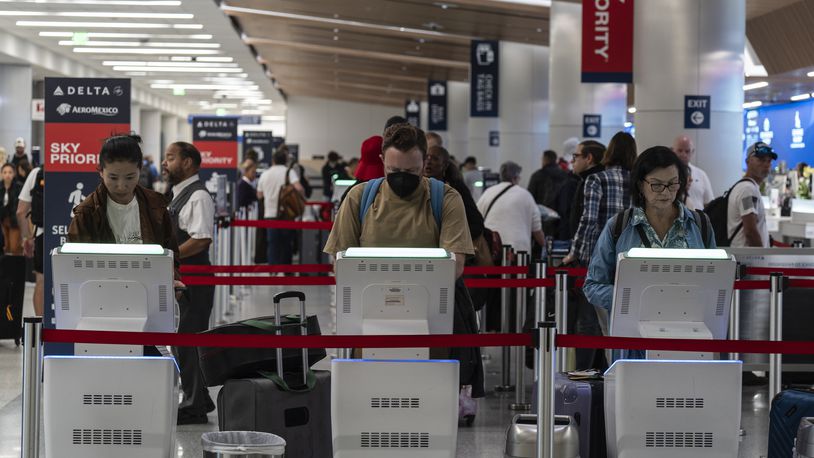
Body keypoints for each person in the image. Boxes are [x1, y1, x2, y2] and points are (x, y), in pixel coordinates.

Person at [323, 123, 482, 405]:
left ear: (425, 162)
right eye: (394, 171)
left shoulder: (445, 198)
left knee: (429, 406)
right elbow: (340, 264)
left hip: (432, 327)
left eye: (411, 171)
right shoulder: (359, 199)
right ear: (383, 161)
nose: (402, 178)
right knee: (371, 403)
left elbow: (455, 266)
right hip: (369, 326)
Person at [583, 146, 715, 358]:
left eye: (672, 184)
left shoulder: (700, 224)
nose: (665, 192)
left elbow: (714, 280)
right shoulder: (619, 227)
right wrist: (634, 299)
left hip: (690, 340)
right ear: (640, 185)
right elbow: (592, 285)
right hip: (633, 345)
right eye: (656, 185)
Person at [162, 141, 217, 425]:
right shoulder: (178, 195)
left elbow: (201, 239)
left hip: (196, 278)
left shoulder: (198, 197)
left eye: (170, 158)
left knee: (188, 340)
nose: (165, 163)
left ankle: (194, 405)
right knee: (185, 341)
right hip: (184, 278)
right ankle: (200, 397)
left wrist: (168, 256)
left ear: (188, 163)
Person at [564, 131, 637, 266]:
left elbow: (589, 219)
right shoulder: (639, 182)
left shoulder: (597, 179)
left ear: (610, 151)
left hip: (600, 252)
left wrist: (574, 252)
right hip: (630, 252)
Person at [477, 161, 546, 258]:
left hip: (491, 249)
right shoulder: (525, 195)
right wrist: (544, 244)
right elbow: (537, 229)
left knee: (493, 273)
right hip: (518, 251)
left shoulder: (487, 193)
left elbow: (477, 219)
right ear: (515, 177)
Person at [256, 149, 304, 265]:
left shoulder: (265, 174)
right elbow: (299, 189)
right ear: (285, 160)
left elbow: (259, 194)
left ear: (273, 160)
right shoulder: (289, 172)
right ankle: (286, 271)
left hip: (269, 214)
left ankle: (273, 271)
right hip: (286, 214)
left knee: (272, 244)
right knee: (286, 243)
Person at [727, 142, 776, 248]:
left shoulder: (748, 187)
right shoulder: (747, 190)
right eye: (761, 159)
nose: (766, 164)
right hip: (748, 260)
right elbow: (750, 231)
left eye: (769, 161)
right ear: (748, 161)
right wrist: (762, 257)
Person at [16, 165, 43, 316]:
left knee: (42, 281)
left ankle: (42, 331)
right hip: (78, 235)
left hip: (43, 234)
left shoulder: (38, 172)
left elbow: (21, 211)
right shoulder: (90, 163)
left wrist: (27, 238)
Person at [672, 135, 714, 210]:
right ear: (673, 151)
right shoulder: (667, 175)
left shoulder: (701, 174)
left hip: (698, 218)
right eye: (680, 150)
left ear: (692, 151)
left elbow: (709, 203)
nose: (683, 154)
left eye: (687, 151)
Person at [0, 163, 22, 255]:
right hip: (2, 220)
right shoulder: (0, 187)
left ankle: (16, 267)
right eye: (5, 172)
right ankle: (5, 268)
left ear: (14, 174)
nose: (7, 175)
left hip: (14, 220)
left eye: (10, 172)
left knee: (14, 247)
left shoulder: (18, 187)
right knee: (5, 246)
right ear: (1, 174)